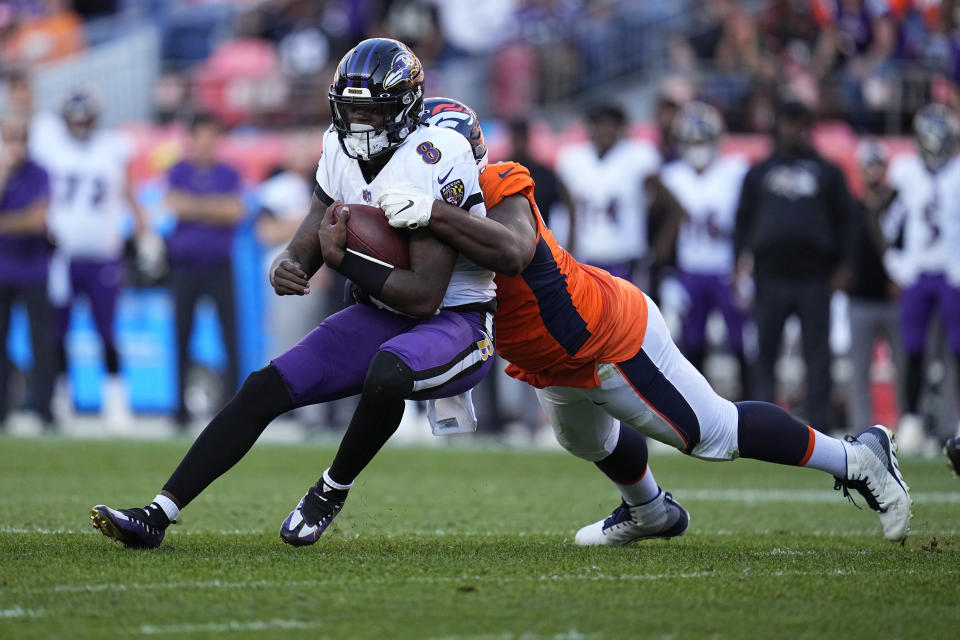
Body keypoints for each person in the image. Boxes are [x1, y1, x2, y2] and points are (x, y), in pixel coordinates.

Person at [377, 97, 911, 545]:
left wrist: (432, 212)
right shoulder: (416, 212)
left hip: (606, 337)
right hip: (547, 358)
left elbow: (511, 252)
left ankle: (857, 457)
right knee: (586, 441)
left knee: (714, 434)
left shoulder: (497, 185)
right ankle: (650, 510)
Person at [90, 38, 497, 549]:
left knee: (387, 373)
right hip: (381, 311)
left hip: (454, 320)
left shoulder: (438, 154)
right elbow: (312, 225)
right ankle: (157, 513)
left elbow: (423, 297)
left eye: (370, 111)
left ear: (405, 108)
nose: (358, 123)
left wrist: (342, 260)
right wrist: (290, 262)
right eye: (349, 110)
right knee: (264, 386)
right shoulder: (337, 146)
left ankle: (331, 489)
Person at [733, 100, 855, 433]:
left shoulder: (827, 172)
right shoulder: (758, 172)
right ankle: (762, 427)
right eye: (787, 122)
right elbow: (742, 222)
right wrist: (737, 263)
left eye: (800, 122)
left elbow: (847, 222)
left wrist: (845, 266)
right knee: (765, 355)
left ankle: (821, 425)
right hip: (769, 277)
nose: (793, 129)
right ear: (777, 126)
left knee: (818, 356)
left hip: (815, 278)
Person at [34, 86, 149, 428]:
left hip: (103, 255)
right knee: (58, 331)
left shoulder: (112, 148)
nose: (80, 124)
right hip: (62, 256)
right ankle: (62, 400)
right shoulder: (50, 149)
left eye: (85, 118)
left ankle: (115, 402)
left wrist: (144, 231)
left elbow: (130, 195)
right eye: (74, 118)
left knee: (107, 331)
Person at [883, 104, 960, 457]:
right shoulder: (905, 171)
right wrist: (896, 263)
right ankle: (911, 419)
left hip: (951, 271)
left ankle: (955, 420)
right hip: (918, 272)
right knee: (912, 350)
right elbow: (886, 221)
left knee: (958, 350)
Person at [660, 101, 751, 399]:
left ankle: (750, 400)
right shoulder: (672, 175)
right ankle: (697, 404)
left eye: (703, 139)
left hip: (725, 269)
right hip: (690, 270)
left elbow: (746, 219)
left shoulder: (734, 172)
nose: (698, 146)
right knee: (692, 342)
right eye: (693, 140)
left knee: (739, 340)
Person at [164, 113, 245, 428]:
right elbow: (173, 204)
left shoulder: (229, 173)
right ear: (192, 138)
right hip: (184, 267)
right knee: (181, 337)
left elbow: (234, 211)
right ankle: (179, 409)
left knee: (230, 337)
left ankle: (233, 409)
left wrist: (194, 206)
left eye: (212, 136)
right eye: (201, 135)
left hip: (218, 266)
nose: (206, 142)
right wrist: (214, 207)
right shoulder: (178, 171)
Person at [555, 103, 673, 286]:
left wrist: (658, 248)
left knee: (624, 313)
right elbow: (570, 210)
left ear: (621, 128)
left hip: (625, 257)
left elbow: (668, 204)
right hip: (586, 257)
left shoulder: (638, 156)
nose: (606, 130)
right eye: (601, 124)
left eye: (611, 125)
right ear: (591, 127)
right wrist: (568, 251)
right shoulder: (574, 159)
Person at [0, 111, 56, 429]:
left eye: (19, 137)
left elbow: (38, 220)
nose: (15, 144)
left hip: (33, 269)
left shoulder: (40, 173)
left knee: (41, 343)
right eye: (9, 137)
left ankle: (45, 411)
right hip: (3, 270)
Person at [845, 139, 903, 435]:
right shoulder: (852, 208)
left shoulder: (898, 205)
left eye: (878, 164)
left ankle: (907, 425)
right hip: (861, 299)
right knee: (860, 370)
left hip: (894, 299)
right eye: (869, 165)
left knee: (905, 367)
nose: (874, 171)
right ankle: (861, 430)